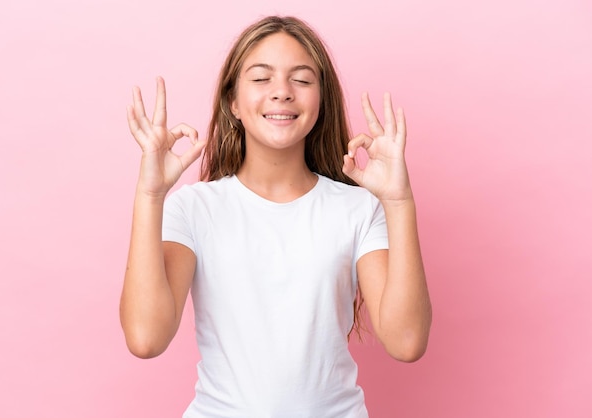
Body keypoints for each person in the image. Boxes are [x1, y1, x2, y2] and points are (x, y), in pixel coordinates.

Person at [120, 15, 432, 417]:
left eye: (301, 80)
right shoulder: (194, 209)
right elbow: (146, 339)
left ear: (321, 100)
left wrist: (399, 202)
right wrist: (150, 195)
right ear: (232, 101)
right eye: (261, 78)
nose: (282, 92)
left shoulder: (358, 208)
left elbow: (407, 342)